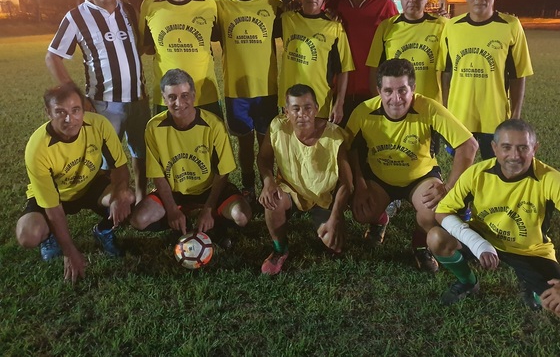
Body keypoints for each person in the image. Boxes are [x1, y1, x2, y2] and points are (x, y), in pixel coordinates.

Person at [428, 119, 560, 320]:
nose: (514, 156)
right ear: (494, 148)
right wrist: (478, 244)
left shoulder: (551, 179)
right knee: (435, 238)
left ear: (534, 148)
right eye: (506, 147)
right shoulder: (477, 173)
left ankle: (531, 286)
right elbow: (442, 211)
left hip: (529, 251)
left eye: (523, 148)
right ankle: (467, 281)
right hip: (484, 239)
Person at [346, 59, 478, 272]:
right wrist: (360, 184)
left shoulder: (428, 107)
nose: (395, 99)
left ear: (413, 89)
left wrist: (449, 187)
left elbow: (468, 145)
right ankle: (380, 219)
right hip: (380, 177)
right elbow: (348, 147)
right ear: (378, 90)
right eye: (388, 91)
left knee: (433, 212)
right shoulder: (363, 111)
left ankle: (420, 245)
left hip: (420, 177)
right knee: (361, 212)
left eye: (402, 90)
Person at [45, 0, 149, 203]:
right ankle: (107, 206)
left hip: (138, 99)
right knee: (104, 159)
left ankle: (142, 197)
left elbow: (137, 49)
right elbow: (53, 57)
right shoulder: (76, 17)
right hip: (104, 104)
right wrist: (78, 97)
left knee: (141, 153)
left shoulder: (128, 10)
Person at [15, 84, 134, 283]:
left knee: (128, 197)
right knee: (28, 235)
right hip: (55, 195)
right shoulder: (37, 149)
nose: (70, 119)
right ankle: (50, 237)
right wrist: (69, 251)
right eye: (60, 112)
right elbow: (53, 208)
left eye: (75, 110)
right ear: (48, 113)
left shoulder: (99, 125)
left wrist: (119, 194)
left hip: (90, 186)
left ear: (83, 108)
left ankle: (103, 230)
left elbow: (120, 167)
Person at [129, 69, 252, 245]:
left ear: (193, 96)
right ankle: (180, 223)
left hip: (209, 190)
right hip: (175, 193)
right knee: (139, 220)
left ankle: (213, 223)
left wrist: (209, 208)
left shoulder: (213, 125)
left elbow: (222, 172)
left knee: (241, 216)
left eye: (185, 95)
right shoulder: (154, 127)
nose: (179, 103)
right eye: (172, 97)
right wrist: (171, 209)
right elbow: (157, 174)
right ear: (164, 99)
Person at [258, 84, 352, 275]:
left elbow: (347, 183)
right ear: (286, 112)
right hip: (290, 190)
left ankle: (324, 222)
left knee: (335, 245)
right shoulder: (278, 127)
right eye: (296, 108)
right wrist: (268, 181)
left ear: (317, 108)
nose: (302, 114)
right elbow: (263, 158)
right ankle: (279, 249)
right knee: (272, 201)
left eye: (308, 107)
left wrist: (335, 218)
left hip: (323, 197)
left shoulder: (335, 136)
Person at [441, 0, 533, 159]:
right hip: (460, 115)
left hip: (495, 118)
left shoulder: (511, 26)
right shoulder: (452, 27)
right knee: (461, 172)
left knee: (496, 170)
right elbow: (446, 72)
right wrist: (446, 109)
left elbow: (518, 75)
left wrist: (515, 115)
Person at [213, 0, 283, 202]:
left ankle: (270, 183)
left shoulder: (273, 4)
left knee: (267, 144)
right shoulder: (217, 5)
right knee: (243, 144)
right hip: (236, 91)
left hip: (267, 89)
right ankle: (248, 185)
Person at [139, 0, 221, 118]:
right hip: (167, 97)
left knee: (209, 143)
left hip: (204, 95)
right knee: (168, 144)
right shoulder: (150, 5)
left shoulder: (209, 4)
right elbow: (146, 47)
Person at [324, 0, 398, 127]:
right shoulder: (332, 4)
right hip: (339, 90)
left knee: (370, 144)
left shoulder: (385, 4)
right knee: (342, 142)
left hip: (374, 89)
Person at [279, 0, 354, 124]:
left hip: (319, 103)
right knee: (290, 146)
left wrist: (339, 104)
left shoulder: (335, 27)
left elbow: (343, 69)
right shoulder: (286, 19)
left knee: (316, 145)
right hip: (289, 102)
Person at [366, 0, 447, 104]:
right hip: (396, 107)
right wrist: (381, 105)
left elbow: (449, 71)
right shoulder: (387, 27)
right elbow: (374, 70)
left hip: (432, 107)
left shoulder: (442, 26)